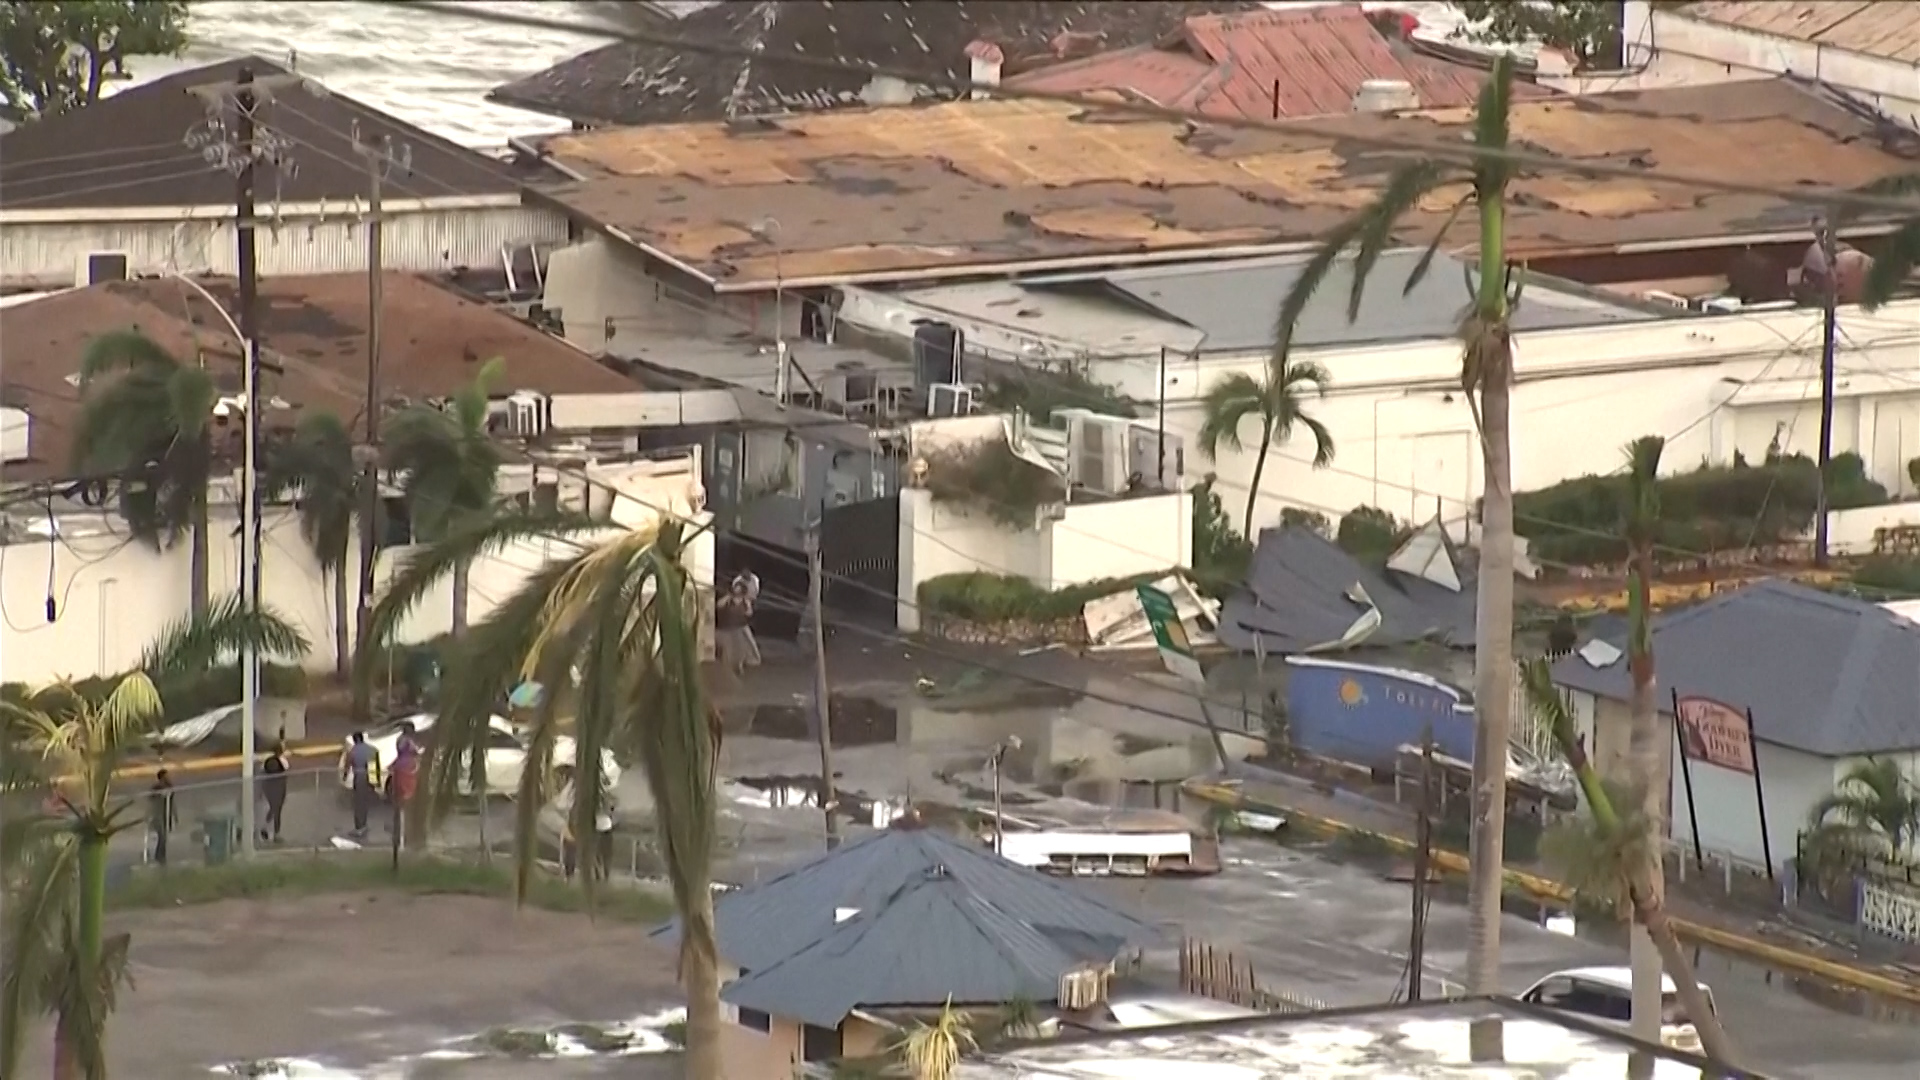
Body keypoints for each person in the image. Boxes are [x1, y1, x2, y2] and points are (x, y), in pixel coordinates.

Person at [715, 574, 761, 679]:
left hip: (740, 628)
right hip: (726, 628)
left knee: (741, 650)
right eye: (736, 588)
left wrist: (748, 604)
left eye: (740, 589)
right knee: (727, 652)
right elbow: (719, 606)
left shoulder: (745, 601)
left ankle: (739, 666)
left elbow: (749, 614)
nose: (737, 591)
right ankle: (727, 670)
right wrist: (728, 597)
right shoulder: (728, 599)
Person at [341, 731, 382, 839]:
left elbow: (347, 765)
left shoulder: (353, 751)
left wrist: (345, 777)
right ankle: (364, 824)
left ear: (355, 740)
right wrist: (377, 779)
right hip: (370, 776)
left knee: (358, 803)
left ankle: (359, 827)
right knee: (365, 802)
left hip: (359, 777)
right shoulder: (371, 749)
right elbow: (376, 763)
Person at [260, 742, 290, 843]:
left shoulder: (267, 760)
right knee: (277, 811)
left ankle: (265, 827)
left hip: (268, 788)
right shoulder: (282, 760)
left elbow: (262, 771)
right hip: (279, 788)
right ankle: (276, 833)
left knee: (273, 808)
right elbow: (286, 770)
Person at [147, 770, 177, 866]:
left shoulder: (170, 786)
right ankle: (160, 856)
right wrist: (160, 795)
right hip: (158, 814)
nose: (168, 777)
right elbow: (151, 799)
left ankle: (161, 855)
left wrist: (174, 815)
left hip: (167, 814)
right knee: (162, 835)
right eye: (166, 776)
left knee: (164, 836)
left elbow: (172, 802)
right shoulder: (157, 788)